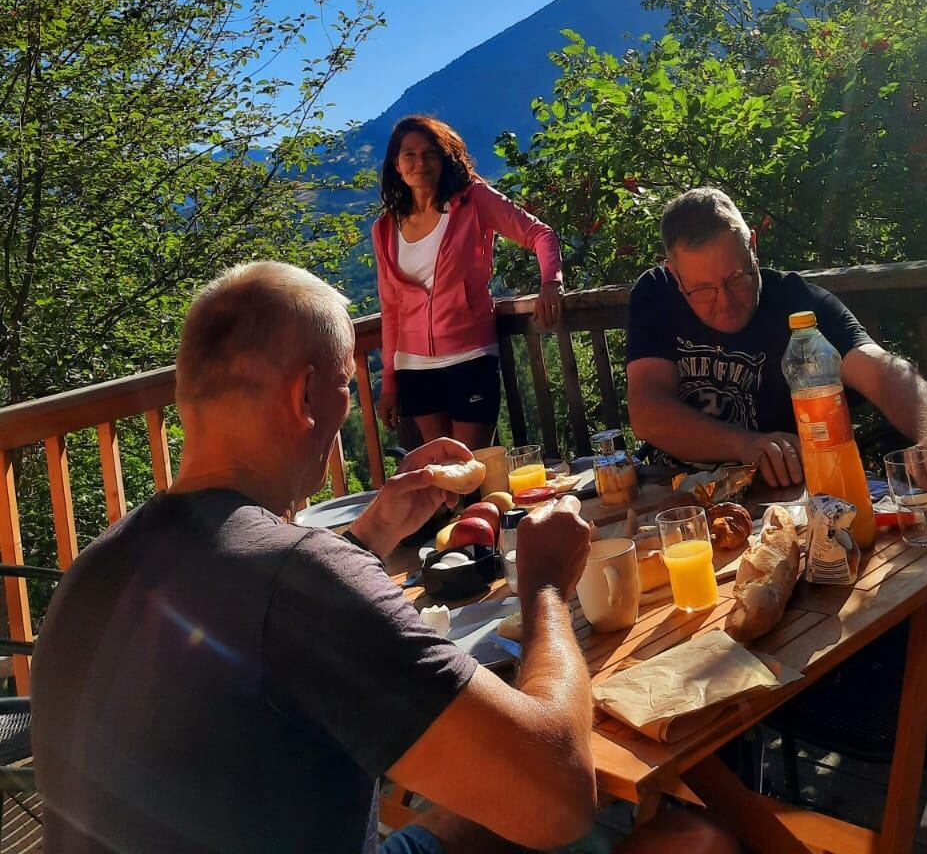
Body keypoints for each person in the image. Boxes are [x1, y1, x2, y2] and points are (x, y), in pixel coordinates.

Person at [33, 262, 736, 854]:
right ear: (304, 396)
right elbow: (559, 796)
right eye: (346, 384)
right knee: (695, 840)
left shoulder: (96, 569)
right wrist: (545, 586)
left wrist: (369, 534)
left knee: (476, 804)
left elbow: (259, 629)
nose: (351, 404)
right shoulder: (296, 578)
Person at [627, 188, 927, 490]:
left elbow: (884, 373)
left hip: (781, 498)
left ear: (752, 246)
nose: (725, 302)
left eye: (736, 278)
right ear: (674, 275)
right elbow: (646, 410)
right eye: (703, 289)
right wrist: (745, 445)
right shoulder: (656, 292)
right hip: (670, 492)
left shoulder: (798, 302)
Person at [373, 115, 564, 449]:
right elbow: (390, 309)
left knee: (473, 464)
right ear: (396, 165)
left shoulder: (473, 199)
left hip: (471, 355)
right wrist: (389, 382)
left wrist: (551, 283)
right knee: (441, 470)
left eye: (430, 153)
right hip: (413, 366)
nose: (420, 162)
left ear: (444, 158)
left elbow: (540, 234)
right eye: (410, 154)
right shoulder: (386, 228)